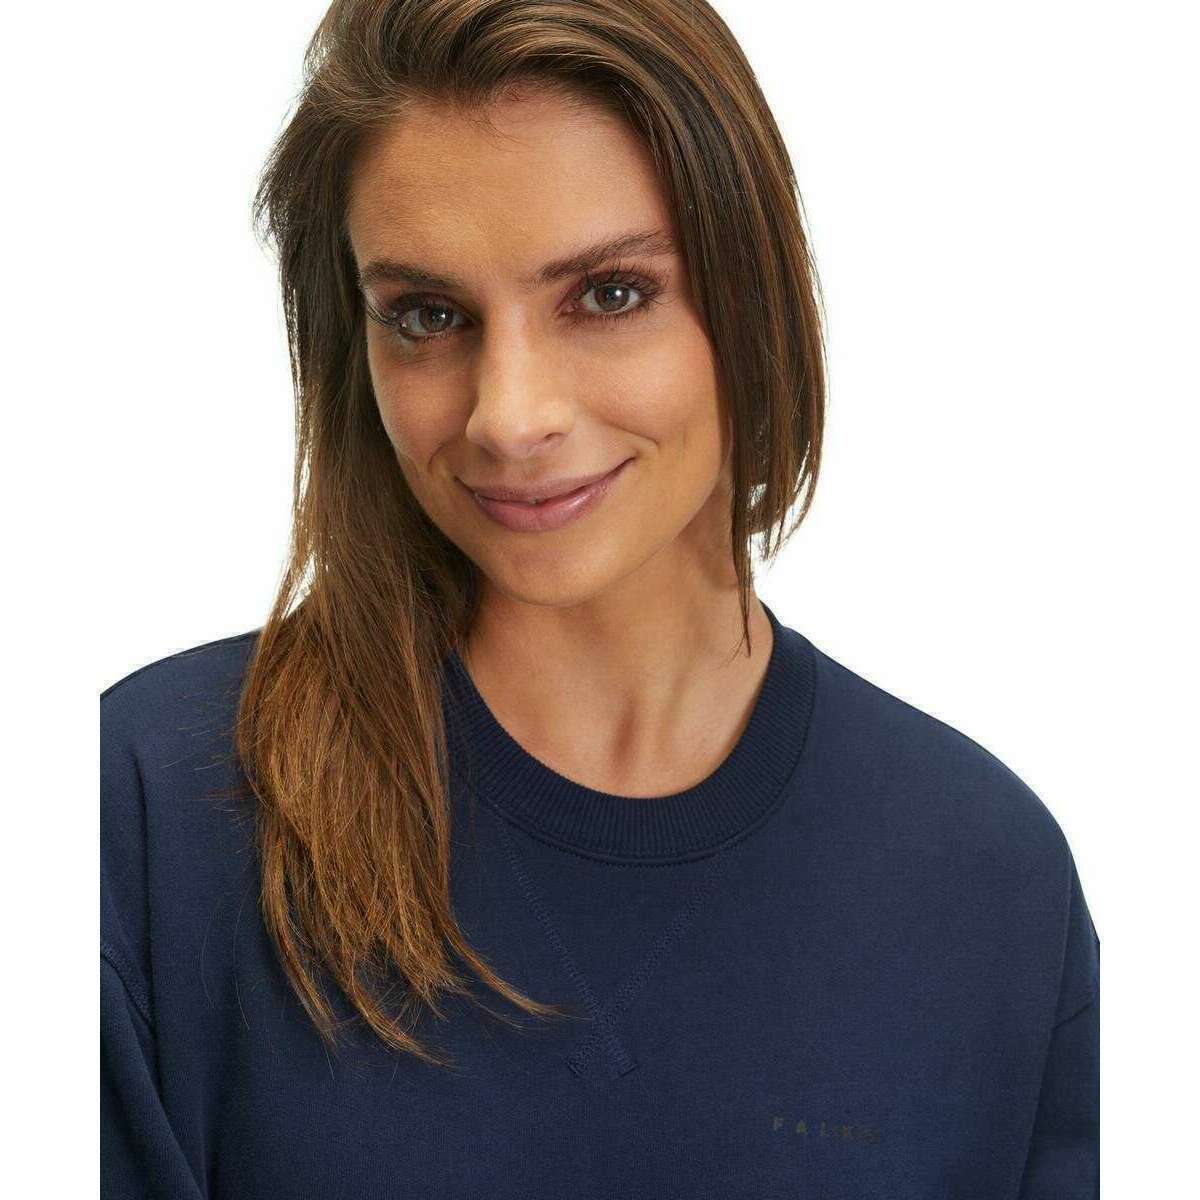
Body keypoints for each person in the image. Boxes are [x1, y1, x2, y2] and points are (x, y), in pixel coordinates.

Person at [100, 1, 1099, 1196]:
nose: (509, 415)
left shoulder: (987, 881)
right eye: (428, 316)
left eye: (610, 295)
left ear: (753, 297)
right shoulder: (153, 813)